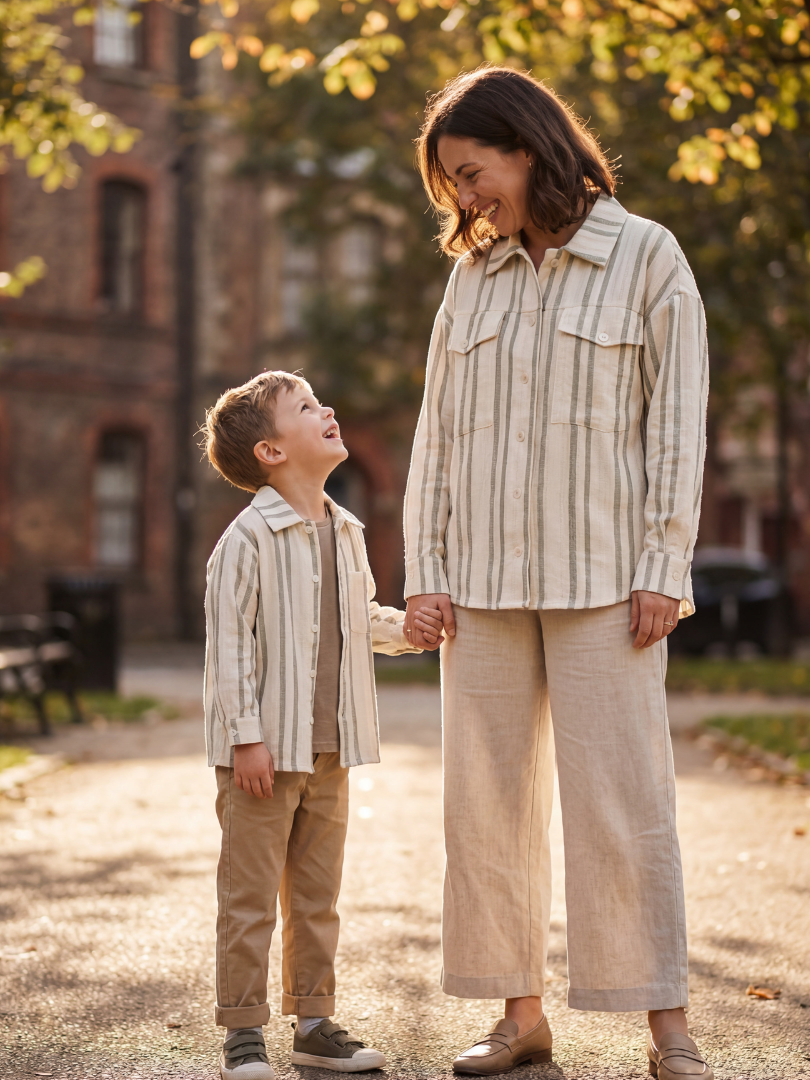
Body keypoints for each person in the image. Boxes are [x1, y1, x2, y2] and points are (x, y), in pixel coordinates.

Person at [403, 67, 712, 1080]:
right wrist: (426, 570)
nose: (465, 198)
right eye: (451, 183)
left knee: (622, 804)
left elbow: (675, 426)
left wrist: (666, 563)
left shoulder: (648, 257)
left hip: (607, 587)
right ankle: (518, 1017)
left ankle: (667, 1027)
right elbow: (436, 438)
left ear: (528, 146)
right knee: (485, 810)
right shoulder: (473, 279)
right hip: (481, 589)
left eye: (472, 171)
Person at [202, 370, 443, 1079]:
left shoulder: (345, 531)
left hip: (331, 750)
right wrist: (246, 737)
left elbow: (358, 620)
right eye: (305, 408)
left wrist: (411, 630)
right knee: (248, 899)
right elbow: (229, 647)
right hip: (263, 756)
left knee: (317, 899)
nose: (326, 409)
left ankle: (313, 1023)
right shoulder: (246, 540)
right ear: (272, 452)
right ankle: (244, 1031)